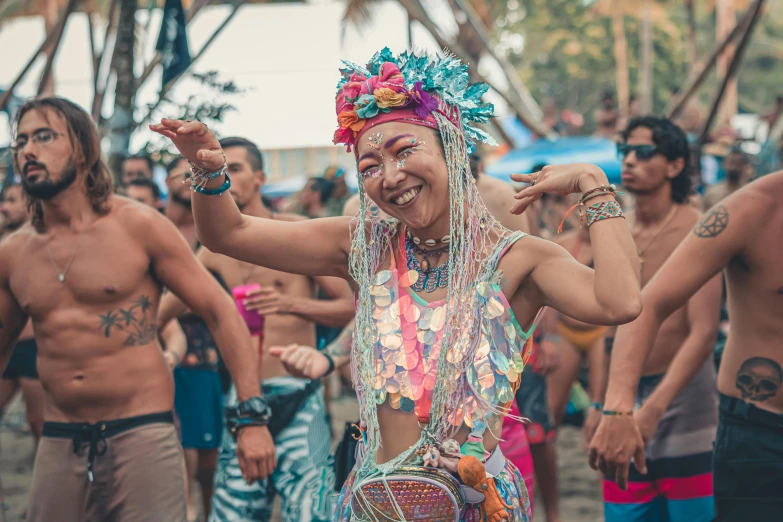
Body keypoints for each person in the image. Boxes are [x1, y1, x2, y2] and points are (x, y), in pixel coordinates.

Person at [152, 48, 642, 521]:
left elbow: (619, 301)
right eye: (369, 167)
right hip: (375, 503)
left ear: (450, 146)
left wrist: (594, 185)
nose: (390, 176)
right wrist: (207, 170)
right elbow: (228, 233)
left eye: (405, 151)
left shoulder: (519, 260)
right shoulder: (363, 246)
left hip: (472, 504)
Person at [0, 97, 275, 522]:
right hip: (59, 437)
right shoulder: (14, 254)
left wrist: (251, 417)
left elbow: (220, 311)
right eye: (20, 141)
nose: (28, 150)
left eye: (43, 136)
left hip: (141, 431)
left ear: (81, 147)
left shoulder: (138, 226)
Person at [159, 136, 354, 522]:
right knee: (234, 515)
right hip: (244, 401)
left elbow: (352, 306)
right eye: (220, 168)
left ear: (260, 178)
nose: (225, 176)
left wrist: (292, 304)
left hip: (299, 395)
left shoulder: (298, 231)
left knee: (311, 513)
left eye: (235, 169)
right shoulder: (212, 248)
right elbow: (171, 305)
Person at [589, 118, 753, 520]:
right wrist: (601, 401)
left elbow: (702, 333)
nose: (629, 161)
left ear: (676, 166)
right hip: (621, 400)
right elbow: (606, 327)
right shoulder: (618, 231)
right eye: (624, 151)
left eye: (644, 153)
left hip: (684, 406)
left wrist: (654, 408)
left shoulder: (698, 230)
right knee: (624, 512)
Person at [543, 224, 607, 448]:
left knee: (602, 407)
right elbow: (548, 294)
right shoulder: (564, 245)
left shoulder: (612, 245)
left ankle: (603, 472)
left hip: (602, 330)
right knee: (553, 408)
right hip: (566, 329)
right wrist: (548, 337)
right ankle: (546, 475)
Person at [0, 182, 46, 448]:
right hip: (8, 345)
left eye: (13, 200)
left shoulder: (42, 242)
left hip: (34, 347)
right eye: (4, 200)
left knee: (39, 422)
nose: (5, 207)